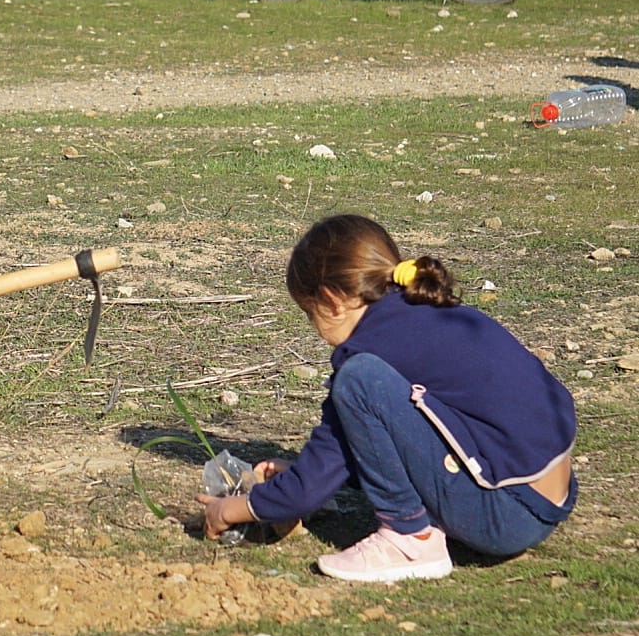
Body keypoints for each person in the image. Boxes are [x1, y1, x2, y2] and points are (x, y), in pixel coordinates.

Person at [198, 214, 577, 584]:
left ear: (331, 301)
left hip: (502, 515)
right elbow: (397, 438)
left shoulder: (367, 349)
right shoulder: (427, 313)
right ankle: (419, 532)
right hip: (547, 499)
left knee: (360, 380)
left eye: (308, 313)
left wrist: (236, 508)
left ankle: (410, 541)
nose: (313, 327)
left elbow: (319, 475)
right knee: (370, 387)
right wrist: (301, 474)